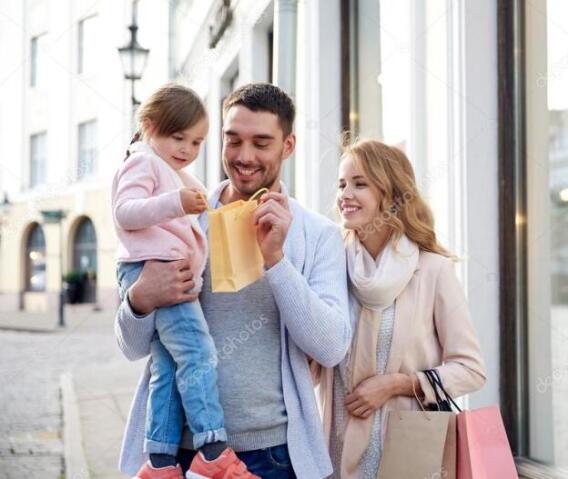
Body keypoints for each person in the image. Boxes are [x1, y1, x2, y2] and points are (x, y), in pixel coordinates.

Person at [115, 83, 352, 479]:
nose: (244, 157)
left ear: (288, 145)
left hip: (274, 453)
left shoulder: (317, 234)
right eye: (233, 141)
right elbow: (132, 347)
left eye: (262, 143)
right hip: (181, 453)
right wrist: (140, 298)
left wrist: (276, 261)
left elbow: (331, 347)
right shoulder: (174, 215)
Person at [318, 139, 487, 479]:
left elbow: (471, 369)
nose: (345, 195)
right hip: (334, 449)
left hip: (407, 452)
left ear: (392, 194)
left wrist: (397, 384)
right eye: (341, 184)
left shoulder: (433, 270)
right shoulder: (329, 262)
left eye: (360, 183)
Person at [112, 83, 256, 479]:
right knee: (198, 355)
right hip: (159, 268)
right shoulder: (142, 163)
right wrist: (177, 202)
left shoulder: (170, 171)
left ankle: (159, 461)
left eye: (197, 142)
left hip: (157, 267)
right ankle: (212, 450)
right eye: (179, 138)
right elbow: (125, 212)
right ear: (148, 126)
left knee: (168, 365)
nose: (188, 149)